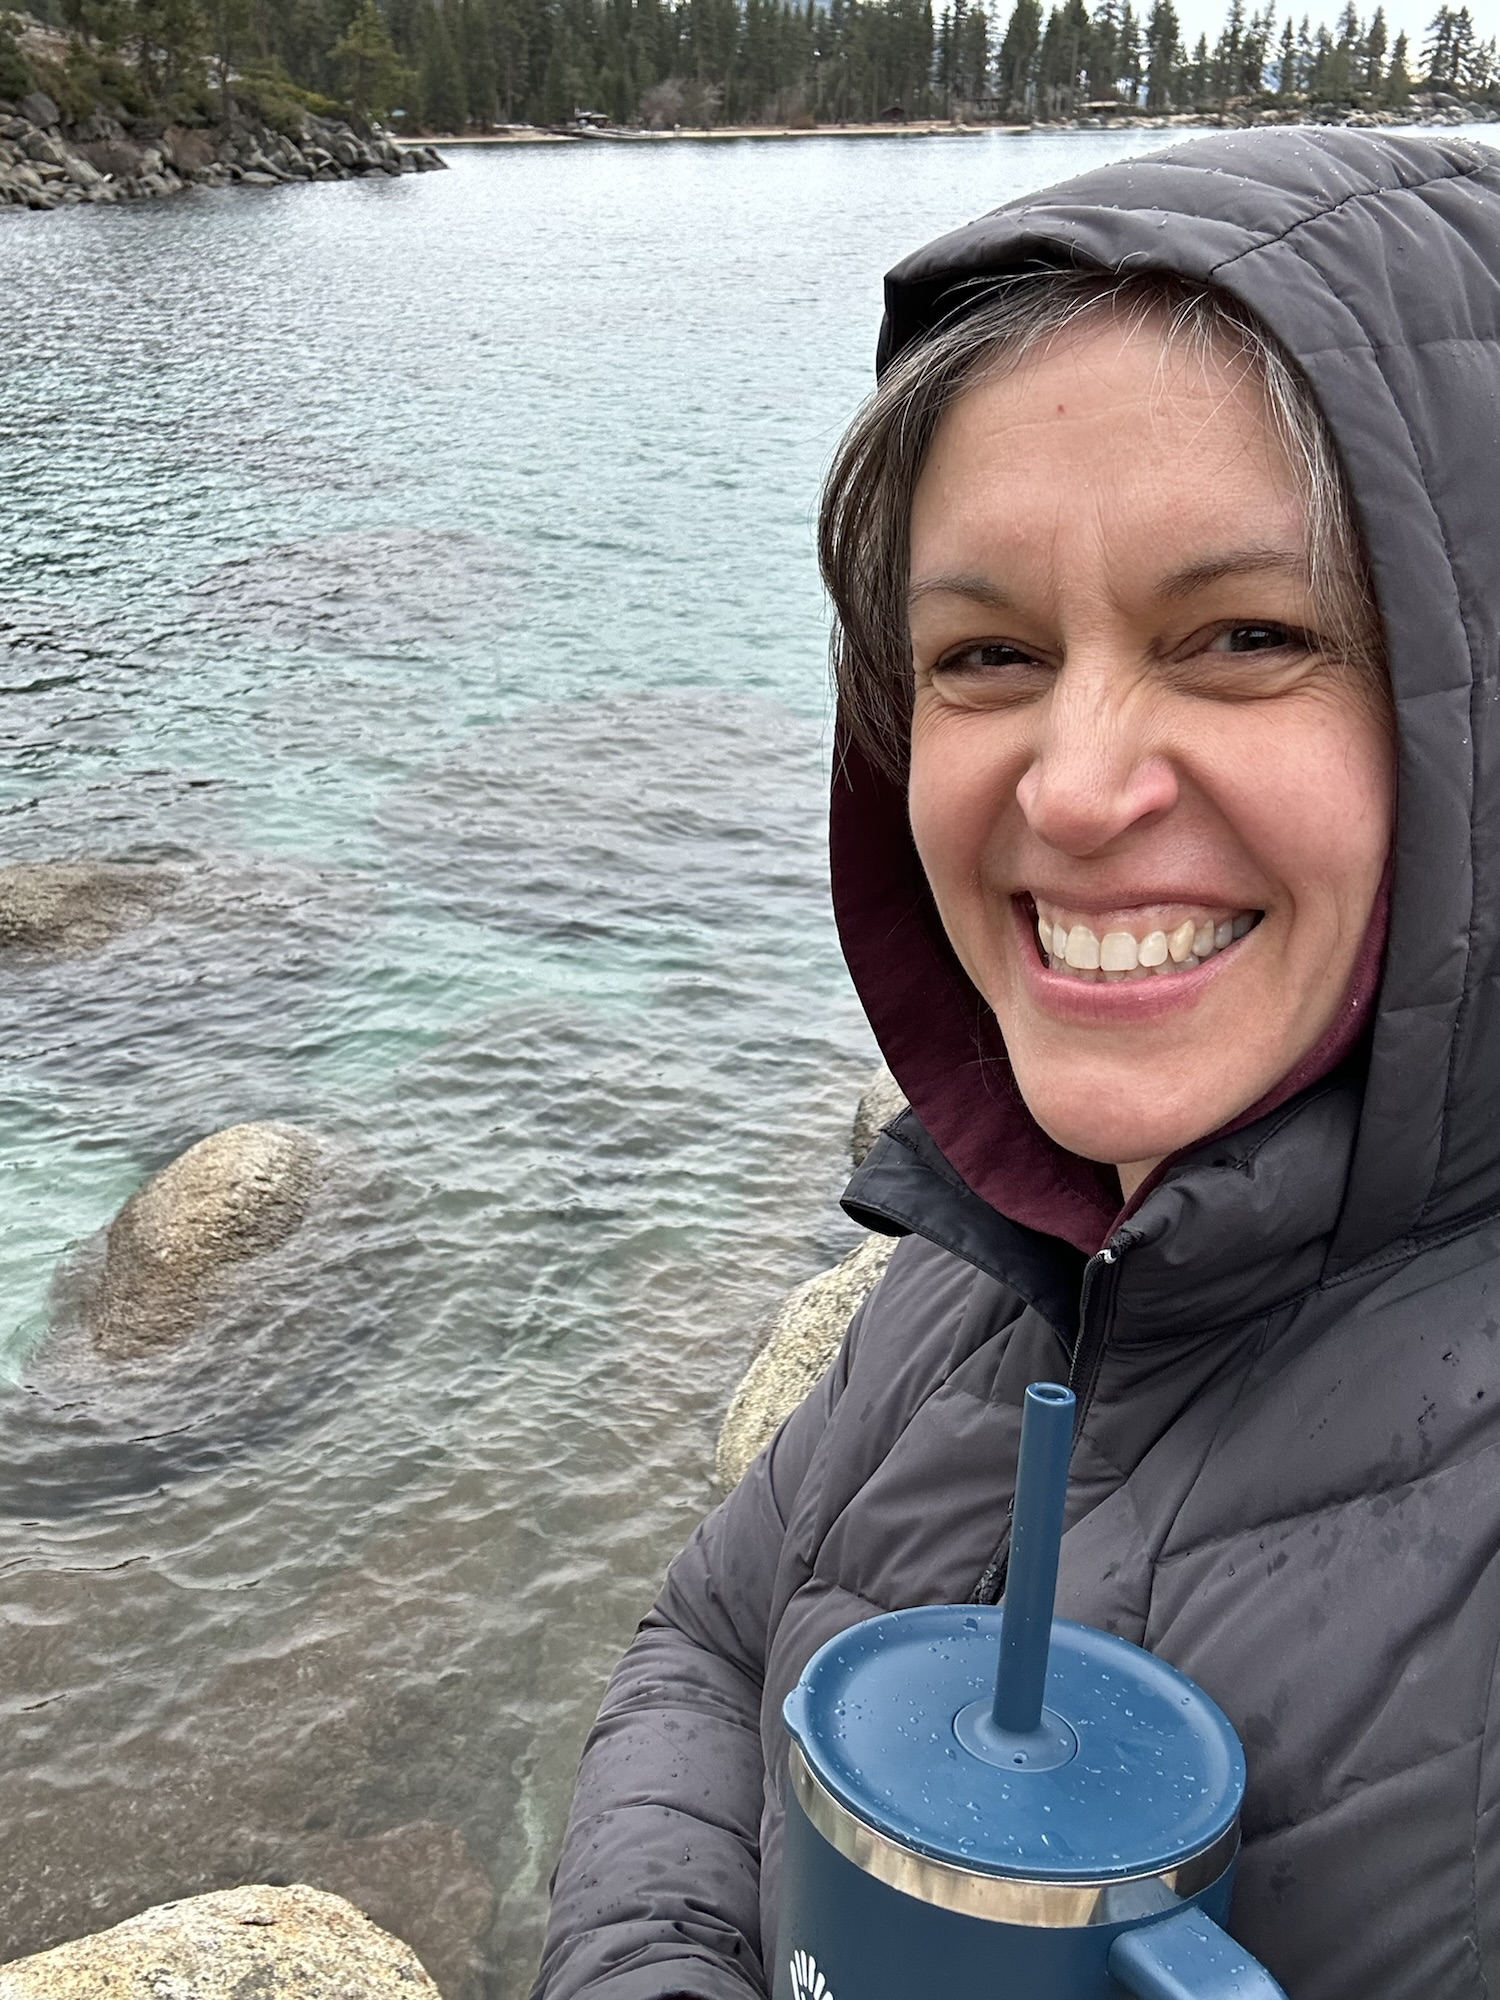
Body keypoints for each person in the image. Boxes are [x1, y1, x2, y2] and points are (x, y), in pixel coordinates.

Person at [532, 128, 1500, 2000]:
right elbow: (718, 1642)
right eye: (985, 656)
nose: (1070, 788)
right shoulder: (1015, 1248)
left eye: (1244, 636)